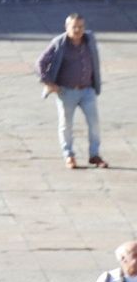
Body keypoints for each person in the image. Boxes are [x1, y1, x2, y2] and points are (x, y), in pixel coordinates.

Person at [38, 13, 104, 170]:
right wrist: (48, 82)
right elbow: (41, 62)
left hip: (87, 90)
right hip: (66, 91)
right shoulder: (59, 43)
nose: (77, 30)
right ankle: (69, 155)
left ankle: (94, 155)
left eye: (81, 26)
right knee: (66, 125)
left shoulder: (90, 39)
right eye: (74, 27)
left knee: (94, 124)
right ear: (66, 27)